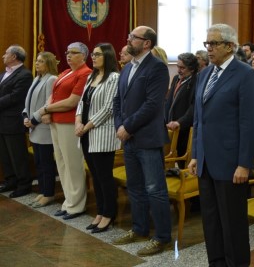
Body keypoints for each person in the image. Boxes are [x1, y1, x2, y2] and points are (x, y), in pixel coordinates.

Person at [189, 24, 254, 266]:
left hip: (231, 163)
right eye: (207, 43)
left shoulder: (245, 74)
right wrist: (196, 155)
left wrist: (244, 163)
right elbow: (199, 119)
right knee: (211, 220)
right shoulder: (204, 74)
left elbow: (250, 123)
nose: (209, 48)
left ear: (230, 46)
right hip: (206, 162)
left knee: (233, 224)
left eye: (214, 43)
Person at [112, 26, 172, 256]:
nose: (128, 40)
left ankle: (162, 237)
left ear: (146, 43)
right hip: (129, 138)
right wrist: (120, 125)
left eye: (133, 38)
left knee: (155, 189)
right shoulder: (128, 68)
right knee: (135, 187)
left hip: (147, 137)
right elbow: (118, 100)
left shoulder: (157, 68)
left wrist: (128, 126)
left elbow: (153, 105)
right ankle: (139, 229)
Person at [39, 42, 92, 219]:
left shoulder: (85, 73)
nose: (68, 55)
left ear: (83, 56)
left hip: (69, 123)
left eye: (73, 52)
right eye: (67, 52)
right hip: (56, 122)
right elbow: (52, 95)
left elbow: (72, 101)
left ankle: (77, 205)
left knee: (73, 164)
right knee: (61, 163)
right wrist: (47, 109)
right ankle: (68, 201)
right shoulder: (65, 72)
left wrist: (47, 110)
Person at [75, 43, 120, 233]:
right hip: (85, 133)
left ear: (108, 56)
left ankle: (109, 213)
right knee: (95, 175)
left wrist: (86, 126)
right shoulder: (91, 76)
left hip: (101, 133)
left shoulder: (114, 78)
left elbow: (109, 108)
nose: (93, 57)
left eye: (98, 55)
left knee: (104, 177)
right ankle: (100, 212)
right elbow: (81, 103)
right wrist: (78, 121)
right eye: (92, 55)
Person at [23, 51, 58, 207]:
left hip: (43, 128)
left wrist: (34, 120)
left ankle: (49, 193)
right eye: (36, 61)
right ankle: (43, 191)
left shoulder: (51, 79)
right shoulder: (37, 78)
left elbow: (48, 104)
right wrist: (25, 116)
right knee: (38, 162)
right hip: (34, 127)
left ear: (49, 63)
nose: (37, 63)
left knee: (46, 163)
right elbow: (28, 101)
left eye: (41, 61)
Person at [0, 45, 33, 198]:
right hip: (2, 120)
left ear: (14, 57)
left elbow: (16, 96)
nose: (3, 56)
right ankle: (10, 180)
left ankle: (24, 184)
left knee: (17, 155)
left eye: (6, 53)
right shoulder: (3, 74)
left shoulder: (25, 74)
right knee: (5, 154)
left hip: (13, 121)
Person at [165, 52, 198, 162]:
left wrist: (180, 122)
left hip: (184, 129)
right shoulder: (176, 78)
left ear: (192, 69)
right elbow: (169, 101)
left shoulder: (196, 82)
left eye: (182, 68)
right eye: (178, 66)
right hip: (170, 126)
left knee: (181, 161)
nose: (179, 70)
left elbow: (194, 107)